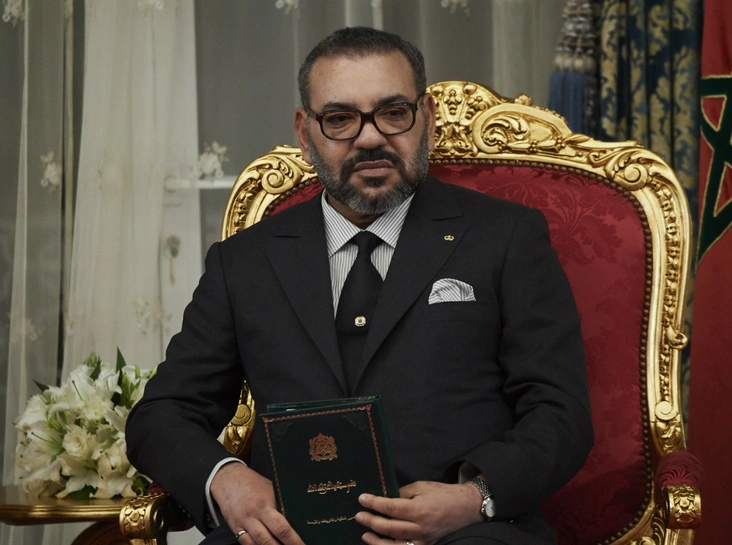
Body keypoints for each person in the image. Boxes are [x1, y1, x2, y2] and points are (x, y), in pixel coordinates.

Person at [126, 27, 593, 545]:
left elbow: (560, 412)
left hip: (462, 533)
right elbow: (161, 415)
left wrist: (474, 497)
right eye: (340, 119)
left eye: (393, 113)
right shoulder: (245, 261)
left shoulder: (505, 237)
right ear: (305, 133)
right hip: (291, 534)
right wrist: (228, 480)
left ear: (427, 117)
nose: (370, 138)